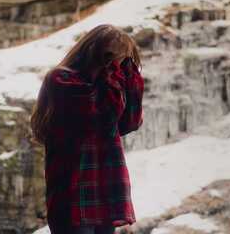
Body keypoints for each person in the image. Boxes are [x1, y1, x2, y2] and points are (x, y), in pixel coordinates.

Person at [30, 24, 145, 234]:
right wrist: (111, 73)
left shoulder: (111, 85)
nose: (119, 66)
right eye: (113, 58)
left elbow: (130, 122)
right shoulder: (61, 79)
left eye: (124, 61)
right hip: (73, 191)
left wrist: (133, 82)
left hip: (107, 187)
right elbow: (94, 112)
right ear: (94, 52)